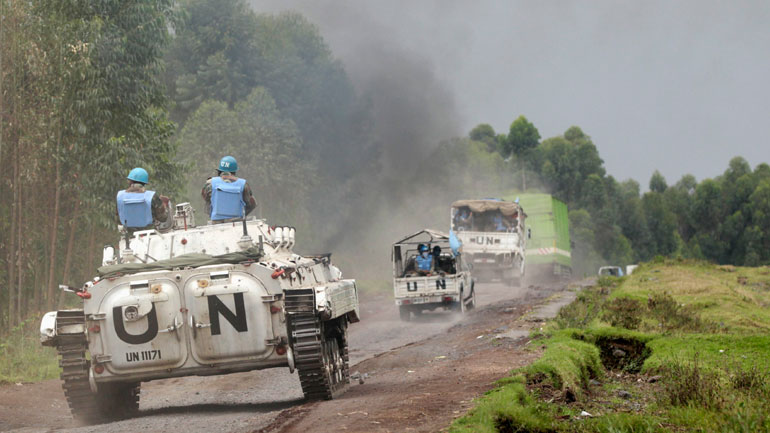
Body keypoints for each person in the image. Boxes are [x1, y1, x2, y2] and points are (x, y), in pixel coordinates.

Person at [202, 156, 257, 222]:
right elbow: (252, 204)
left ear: (219, 171)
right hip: (238, 222)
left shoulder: (210, 183)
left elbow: (206, 198)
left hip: (216, 223)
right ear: (234, 171)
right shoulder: (243, 184)